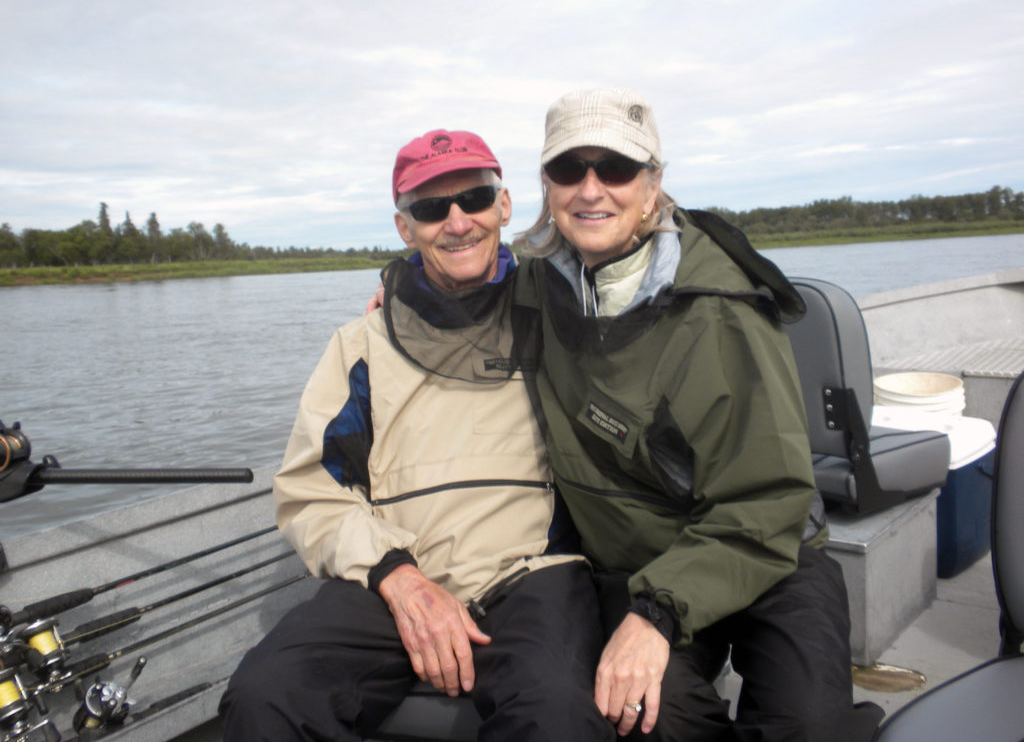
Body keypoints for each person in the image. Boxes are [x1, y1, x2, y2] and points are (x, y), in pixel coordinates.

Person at [511, 87, 885, 741]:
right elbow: (454, 262)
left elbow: (768, 501)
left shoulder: (728, 308)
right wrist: (400, 288)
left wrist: (655, 616)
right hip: (636, 563)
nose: (590, 189)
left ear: (653, 185)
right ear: (547, 186)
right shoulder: (527, 288)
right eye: (569, 170)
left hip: (768, 550)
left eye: (617, 169)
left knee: (811, 725)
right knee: (642, 719)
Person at [219, 129, 614, 741]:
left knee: (559, 712)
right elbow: (310, 492)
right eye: (431, 208)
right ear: (406, 228)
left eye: (476, 200)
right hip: (395, 576)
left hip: (534, 573)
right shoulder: (360, 345)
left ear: (504, 206)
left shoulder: (564, 310)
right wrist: (399, 579)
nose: (457, 223)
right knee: (266, 694)